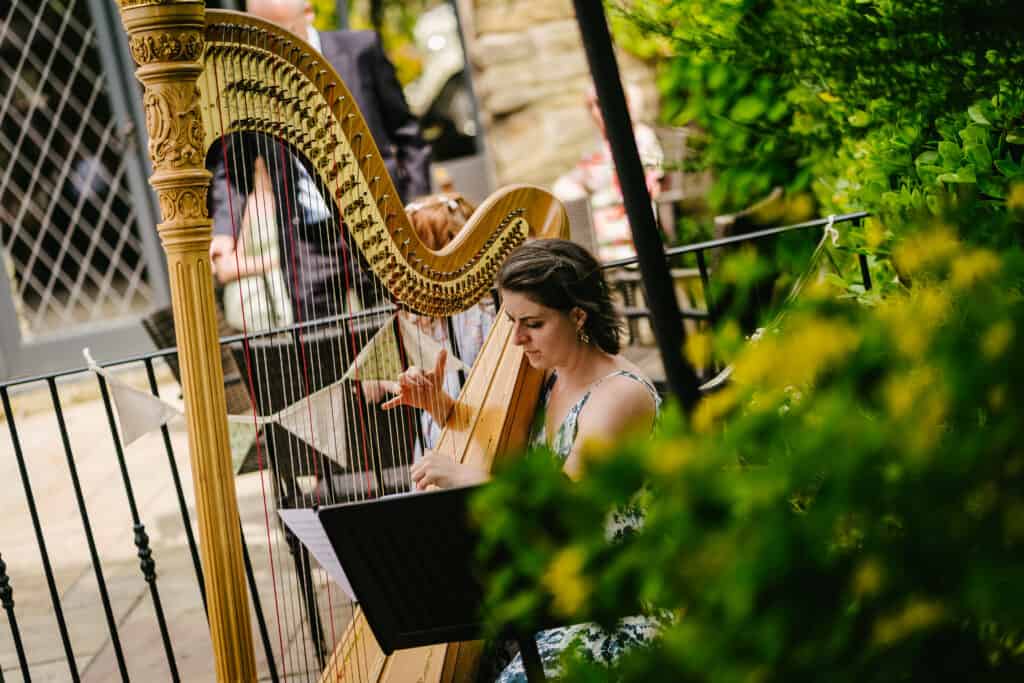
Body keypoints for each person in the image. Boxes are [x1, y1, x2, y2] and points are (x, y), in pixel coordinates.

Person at [381, 238, 661, 680]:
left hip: (611, 612)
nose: (516, 339)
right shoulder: (547, 378)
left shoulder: (618, 395)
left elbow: (563, 511)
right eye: (510, 321)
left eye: (532, 323)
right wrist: (439, 406)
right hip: (552, 598)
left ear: (578, 316)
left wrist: (463, 476)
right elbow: (499, 440)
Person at [207, 0, 432, 320]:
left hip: (378, 225)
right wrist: (224, 232)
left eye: (282, 30)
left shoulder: (360, 51)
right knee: (319, 345)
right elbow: (232, 171)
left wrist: (416, 205)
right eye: (264, 32)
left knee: (403, 327)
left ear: (308, 13)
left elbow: (408, 134)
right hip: (305, 239)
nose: (275, 42)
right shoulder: (250, 80)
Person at [360, 192, 496, 454]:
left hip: (479, 430)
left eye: (412, 252)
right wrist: (391, 381)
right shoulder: (418, 317)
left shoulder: (486, 314)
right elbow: (370, 387)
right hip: (438, 435)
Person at [553, 84, 664, 263]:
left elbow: (647, 184)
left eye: (599, 104)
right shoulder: (599, 144)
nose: (596, 112)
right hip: (600, 213)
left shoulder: (640, 137)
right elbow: (580, 176)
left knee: (575, 237)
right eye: (590, 107)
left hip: (627, 216)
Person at [219, 155, 293, 332]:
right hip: (254, 296)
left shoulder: (291, 201)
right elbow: (226, 269)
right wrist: (277, 261)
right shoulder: (247, 206)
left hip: (283, 286)